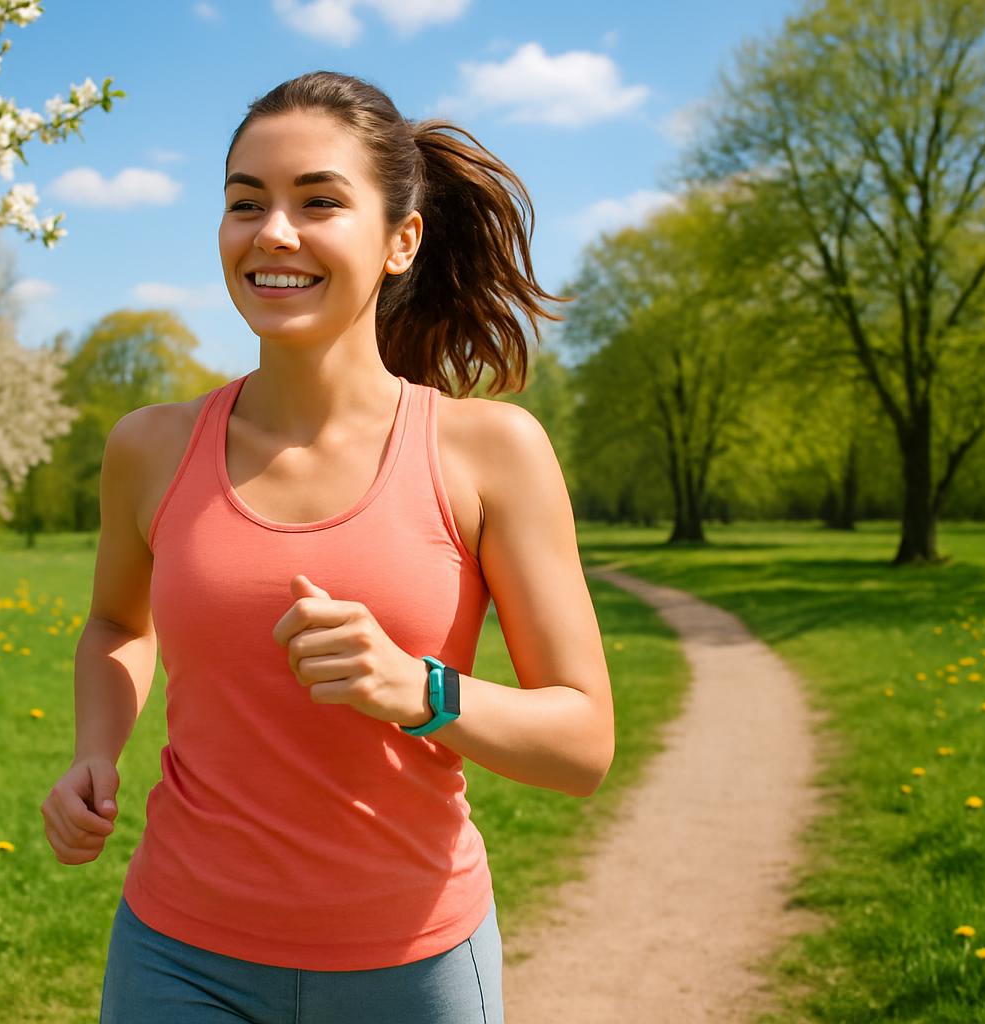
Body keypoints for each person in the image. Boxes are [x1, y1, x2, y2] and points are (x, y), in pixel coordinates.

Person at [41, 69, 615, 1024]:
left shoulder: (489, 453)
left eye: (319, 202)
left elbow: (584, 742)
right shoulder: (149, 447)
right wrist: (94, 750)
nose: (273, 232)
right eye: (245, 203)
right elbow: (113, 621)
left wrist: (418, 691)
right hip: (177, 954)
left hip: (413, 965)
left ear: (401, 240)